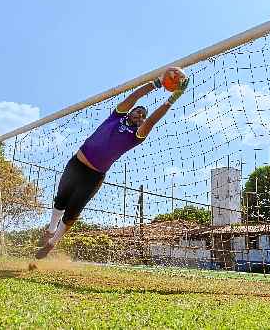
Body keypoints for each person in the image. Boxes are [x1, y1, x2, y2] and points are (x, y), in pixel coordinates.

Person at [35, 67, 189, 259]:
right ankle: (50, 230)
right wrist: (156, 84)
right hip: (77, 163)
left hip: (94, 177)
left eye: (143, 116)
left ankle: (51, 243)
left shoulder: (136, 135)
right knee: (61, 199)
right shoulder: (116, 116)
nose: (140, 115)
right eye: (138, 112)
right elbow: (134, 97)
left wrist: (173, 98)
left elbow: (152, 121)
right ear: (130, 112)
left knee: (72, 214)